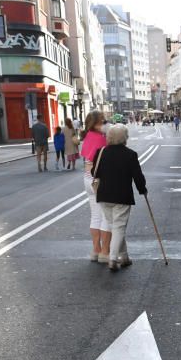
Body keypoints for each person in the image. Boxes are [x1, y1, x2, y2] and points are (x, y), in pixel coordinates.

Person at [92, 124, 148, 272]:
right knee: (119, 227)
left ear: (109, 137)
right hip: (122, 196)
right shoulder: (130, 154)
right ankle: (113, 258)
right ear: (125, 138)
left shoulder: (101, 152)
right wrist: (142, 190)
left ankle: (124, 257)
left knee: (115, 227)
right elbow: (138, 176)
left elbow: (94, 172)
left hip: (104, 195)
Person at [80, 111, 111, 263]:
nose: (105, 124)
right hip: (99, 180)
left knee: (95, 216)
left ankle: (95, 250)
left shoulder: (87, 137)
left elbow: (86, 156)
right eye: (103, 122)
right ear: (95, 123)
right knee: (106, 217)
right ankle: (105, 253)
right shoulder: (101, 139)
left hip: (87, 179)